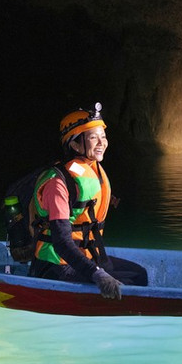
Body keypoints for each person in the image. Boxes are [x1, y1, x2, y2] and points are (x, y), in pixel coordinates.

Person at [28, 102, 148, 300]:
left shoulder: (91, 169)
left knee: (138, 275)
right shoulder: (57, 183)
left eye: (103, 136)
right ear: (75, 144)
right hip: (58, 264)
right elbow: (62, 243)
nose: (102, 143)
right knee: (125, 289)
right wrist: (98, 274)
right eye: (93, 138)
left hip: (89, 255)